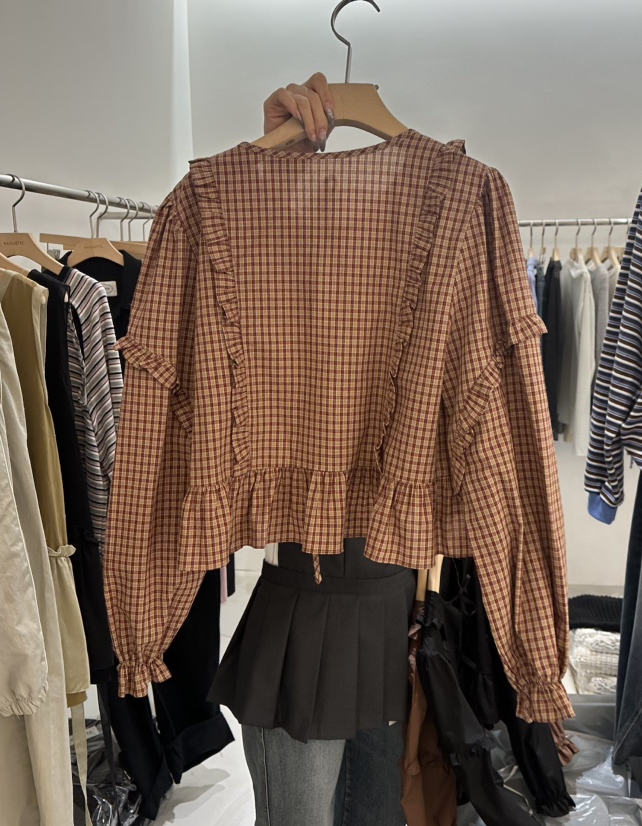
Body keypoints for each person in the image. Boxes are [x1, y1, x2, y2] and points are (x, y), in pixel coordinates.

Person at [210, 73, 413, 826]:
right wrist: (281, 160)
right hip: (311, 609)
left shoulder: (449, 210)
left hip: (405, 606)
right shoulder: (268, 247)